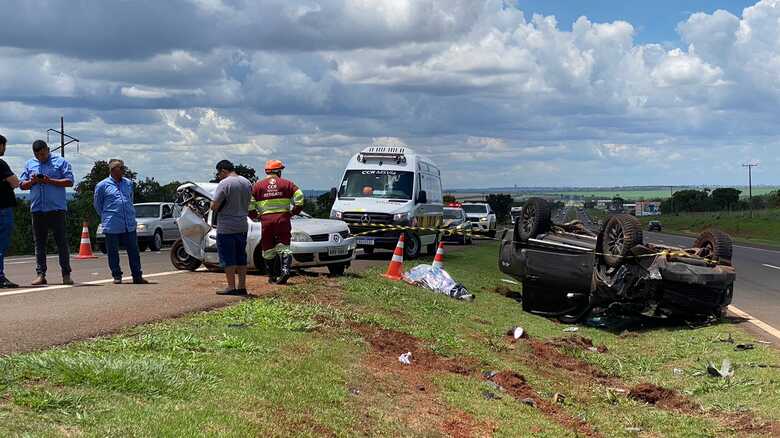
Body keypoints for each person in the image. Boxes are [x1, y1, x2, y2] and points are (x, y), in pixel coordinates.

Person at [19, 140, 74, 286]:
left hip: (56, 209)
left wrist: (50, 181)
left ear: (48, 150)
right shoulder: (30, 163)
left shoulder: (60, 162)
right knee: (39, 244)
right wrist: (32, 182)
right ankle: (40, 274)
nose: (40, 158)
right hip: (37, 209)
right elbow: (21, 185)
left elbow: (70, 181)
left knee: (61, 243)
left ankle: (66, 274)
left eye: (43, 154)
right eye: (37, 155)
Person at [93, 159, 148, 285]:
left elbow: (130, 199)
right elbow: (97, 204)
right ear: (113, 170)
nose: (123, 170)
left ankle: (137, 275)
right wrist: (106, 216)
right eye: (121, 168)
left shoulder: (128, 183)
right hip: (112, 223)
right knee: (113, 251)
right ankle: (117, 275)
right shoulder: (102, 185)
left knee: (134, 250)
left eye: (123, 168)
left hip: (128, 222)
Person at [251, 159, 304, 285]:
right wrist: (294, 212)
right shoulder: (287, 183)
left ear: (266, 171)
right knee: (284, 245)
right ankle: (285, 270)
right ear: (279, 172)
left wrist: (256, 215)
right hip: (283, 219)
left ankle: (271, 276)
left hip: (266, 221)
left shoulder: (258, 186)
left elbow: (249, 203)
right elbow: (300, 196)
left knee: (267, 247)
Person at [211, 160, 252, 295]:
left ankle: (231, 286)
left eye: (219, 173)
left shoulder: (225, 183)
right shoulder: (247, 182)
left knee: (228, 258)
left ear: (223, 170)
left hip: (226, 226)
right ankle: (242, 286)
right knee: (241, 257)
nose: (218, 176)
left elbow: (215, 205)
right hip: (242, 225)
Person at [0, 134, 20, 288]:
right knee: (1, 244)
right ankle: (0, 277)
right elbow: (15, 183)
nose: (4, 149)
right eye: (3, 146)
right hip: (2, 208)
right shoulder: (1, 164)